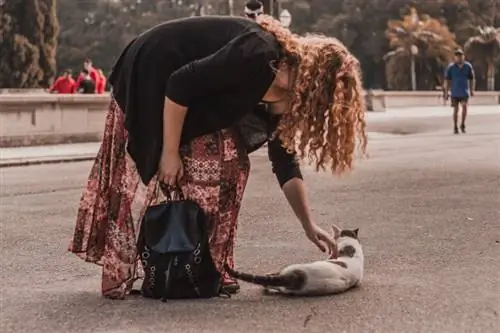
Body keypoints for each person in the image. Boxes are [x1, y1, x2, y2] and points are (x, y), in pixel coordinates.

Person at [69, 15, 367, 299]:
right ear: (314, 82)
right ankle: (184, 267)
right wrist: (170, 153)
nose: (318, 109)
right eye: (323, 99)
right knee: (216, 166)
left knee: (234, 165)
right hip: (153, 66)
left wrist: (308, 225)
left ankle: (204, 269)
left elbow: (284, 160)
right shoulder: (258, 53)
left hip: (184, 89)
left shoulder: (286, 91)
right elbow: (180, 84)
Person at [444, 49, 475, 134]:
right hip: (455, 92)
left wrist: (472, 90)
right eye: (457, 56)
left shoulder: (468, 66)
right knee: (456, 109)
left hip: (464, 91)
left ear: (463, 56)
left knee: (464, 107)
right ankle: (455, 126)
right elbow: (447, 81)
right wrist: (446, 92)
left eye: (460, 56)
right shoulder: (451, 67)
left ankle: (462, 124)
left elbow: (472, 79)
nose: (459, 58)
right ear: (455, 57)